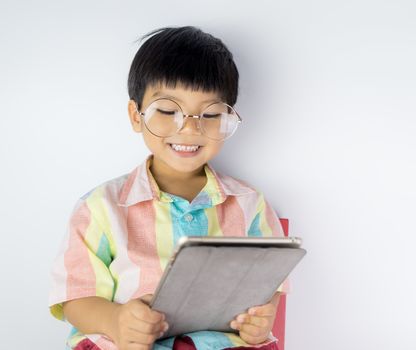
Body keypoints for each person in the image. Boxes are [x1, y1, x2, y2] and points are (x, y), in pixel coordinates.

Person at [48, 26, 288, 350]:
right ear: (136, 115)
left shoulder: (250, 204)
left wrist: (260, 320)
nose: (189, 128)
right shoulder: (100, 207)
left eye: (211, 114)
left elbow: (268, 283)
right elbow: (76, 297)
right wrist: (116, 323)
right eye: (167, 110)